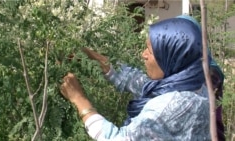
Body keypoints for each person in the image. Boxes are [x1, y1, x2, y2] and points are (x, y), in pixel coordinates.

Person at [60, 15, 224, 140]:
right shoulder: (193, 84)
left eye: (150, 51)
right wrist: (92, 57)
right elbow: (135, 81)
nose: (143, 55)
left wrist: (79, 100)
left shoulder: (172, 107)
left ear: (171, 57)